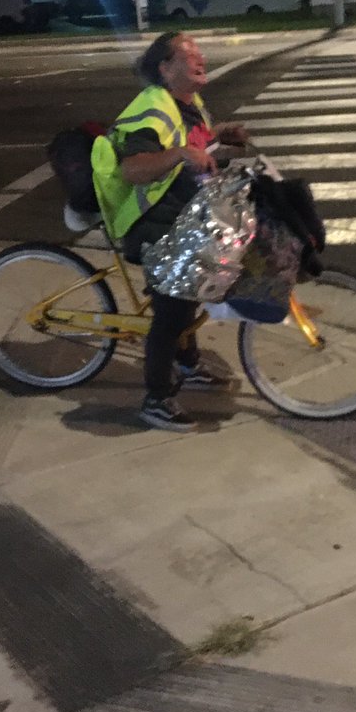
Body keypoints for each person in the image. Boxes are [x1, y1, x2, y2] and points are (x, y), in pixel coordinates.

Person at [92, 31, 250, 433]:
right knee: (173, 307)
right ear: (165, 68)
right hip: (147, 223)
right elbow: (135, 168)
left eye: (200, 51)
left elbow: (194, 148)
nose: (200, 58)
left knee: (198, 281)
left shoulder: (189, 104)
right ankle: (157, 398)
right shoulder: (151, 108)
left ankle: (188, 363)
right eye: (189, 53)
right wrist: (181, 154)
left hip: (180, 216)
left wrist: (219, 138)